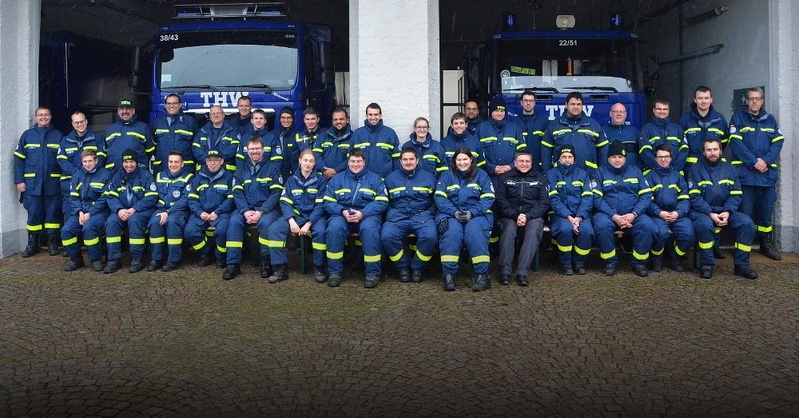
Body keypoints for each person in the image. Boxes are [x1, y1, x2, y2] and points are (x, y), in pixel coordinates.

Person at [688, 138, 758, 280]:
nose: (712, 153)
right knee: (705, 225)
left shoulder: (730, 169)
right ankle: (707, 264)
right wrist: (710, 213)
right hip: (703, 212)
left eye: (715, 149)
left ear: (721, 151)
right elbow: (694, 197)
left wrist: (727, 212)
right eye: (709, 150)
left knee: (747, 224)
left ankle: (741, 265)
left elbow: (736, 194)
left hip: (726, 211)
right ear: (703, 152)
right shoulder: (695, 169)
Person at [729, 87, 784, 261]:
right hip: (745, 176)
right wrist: (754, 162)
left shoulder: (770, 120)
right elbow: (736, 144)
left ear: (762, 101)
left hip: (766, 177)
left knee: (765, 214)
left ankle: (764, 244)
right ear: (746, 101)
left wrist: (765, 161)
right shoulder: (738, 119)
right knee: (744, 213)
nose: (754, 101)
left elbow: (778, 143)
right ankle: (741, 248)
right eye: (751, 98)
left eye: (757, 98)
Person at [322, 149, 388, 288]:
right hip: (342, 215)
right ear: (348, 162)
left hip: (367, 215)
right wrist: (342, 211)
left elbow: (382, 201)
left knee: (370, 230)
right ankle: (334, 272)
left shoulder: (375, 179)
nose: (355, 164)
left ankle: (373, 273)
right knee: (334, 229)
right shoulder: (337, 179)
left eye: (358, 161)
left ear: (364, 162)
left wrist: (363, 213)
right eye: (352, 161)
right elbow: (327, 201)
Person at [223, 136, 284, 281]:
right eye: (252, 149)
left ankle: (266, 262)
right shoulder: (240, 170)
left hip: (267, 210)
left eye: (257, 148)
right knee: (234, 222)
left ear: (263, 150)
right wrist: (245, 211)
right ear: (247, 151)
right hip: (245, 209)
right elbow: (237, 193)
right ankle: (233, 264)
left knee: (265, 223)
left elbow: (276, 193)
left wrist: (261, 211)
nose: (254, 151)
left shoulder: (273, 169)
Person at [435, 147, 495, 291]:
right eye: (459, 159)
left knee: (475, 234)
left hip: (477, 215)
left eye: (465, 159)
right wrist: (454, 212)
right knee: (451, 235)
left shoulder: (481, 175)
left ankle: (483, 276)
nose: (462, 162)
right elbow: (440, 198)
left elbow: (488, 197)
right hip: (451, 214)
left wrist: (472, 212)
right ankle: (449, 275)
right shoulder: (446, 175)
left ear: (471, 160)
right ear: (454, 161)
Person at [592, 140, 655, 277]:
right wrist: (614, 216)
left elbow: (646, 196)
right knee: (601, 226)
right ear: (608, 158)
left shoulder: (636, 171)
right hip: (608, 214)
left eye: (620, 157)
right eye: (614, 157)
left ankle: (638, 263)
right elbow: (597, 199)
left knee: (647, 226)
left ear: (625, 158)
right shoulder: (599, 172)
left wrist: (634, 214)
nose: (617, 160)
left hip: (634, 214)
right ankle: (610, 262)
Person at [267, 149, 329, 283]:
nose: (308, 163)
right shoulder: (291, 181)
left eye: (311, 161)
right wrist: (291, 220)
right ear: (300, 161)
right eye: (305, 160)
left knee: (321, 232)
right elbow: (284, 202)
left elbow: (321, 206)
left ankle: (319, 268)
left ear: (314, 163)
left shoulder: (321, 181)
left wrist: (309, 223)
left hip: (315, 217)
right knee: (274, 229)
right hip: (296, 216)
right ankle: (280, 268)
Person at [381, 148, 438, 283]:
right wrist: (391, 213)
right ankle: (402, 268)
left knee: (430, 237)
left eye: (411, 159)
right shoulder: (390, 178)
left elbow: (436, 200)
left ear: (417, 160)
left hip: (422, 216)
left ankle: (417, 268)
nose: (408, 162)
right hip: (397, 217)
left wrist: (429, 213)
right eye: (405, 159)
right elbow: (383, 200)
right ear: (400, 161)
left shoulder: (429, 178)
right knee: (387, 236)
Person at [14, 106, 64, 257]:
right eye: (40, 115)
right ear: (36, 118)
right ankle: (32, 244)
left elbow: (63, 161)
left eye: (46, 115)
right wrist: (19, 181)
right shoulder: (27, 135)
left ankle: (52, 243)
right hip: (32, 184)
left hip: (52, 183)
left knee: (52, 214)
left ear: (50, 117)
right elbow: (19, 160)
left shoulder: (58, 135)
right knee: (34, 213)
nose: (43, 117)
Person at [495, 151, 549, 286]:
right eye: (521, 161)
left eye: (527, 161)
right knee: (509, 230)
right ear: (515, 163)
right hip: (510, 216)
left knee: (533, 231)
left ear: (531, 163)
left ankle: (522, 272)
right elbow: (500, 199)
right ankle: (505, 271)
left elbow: (544, 202)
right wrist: (515, 215)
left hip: (533, 216)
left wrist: (527, 216)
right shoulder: (506, 177)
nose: (524, 164)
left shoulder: (540, 178)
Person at [102, 149, 158, 274]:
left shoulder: (145, 176)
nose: (129, 165)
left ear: (136, 162)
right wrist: (119, 209)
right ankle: (114, 259)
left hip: (141, 211)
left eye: (132, 162)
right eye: (126, 162)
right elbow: (110, 196)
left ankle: (137, 259)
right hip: (121, 211)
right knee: (111, 222)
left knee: (135, 220)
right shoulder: (117, 177)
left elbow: (151, 197)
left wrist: (134, 209)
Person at [545, 144, 595, 275]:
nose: (567, 159)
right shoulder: (551, 174)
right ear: (558, 159)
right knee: (565, 229)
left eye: (570, 157)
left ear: (574, 159)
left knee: (587, 231)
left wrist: (579, 217)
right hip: (560, 215)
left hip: (581, 215)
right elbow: (553, 199)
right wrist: (569, 217)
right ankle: (566, 263)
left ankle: (579, 262)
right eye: (564, 157)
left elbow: (588, 197)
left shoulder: (583, 174)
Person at [645, 145, 695, 273]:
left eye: (666, 156)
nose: (663, 159)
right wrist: (659, 212)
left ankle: (676, 258)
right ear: (655, 158)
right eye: (660, 157)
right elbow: (646, 200)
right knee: (660, 233)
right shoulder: (649, 177)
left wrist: (678, 213)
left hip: (677, 214)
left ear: (671, 158)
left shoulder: (678, 176)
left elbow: (685, 199)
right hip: (657, 215)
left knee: (688, 233)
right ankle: (656, 258)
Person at [61, 150, 111, 272]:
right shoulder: (77, 175)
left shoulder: (105, 175)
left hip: (99, 212)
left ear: (96, 161)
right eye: (85, 161)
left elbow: (105, 198)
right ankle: (76, 259)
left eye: (90, 161)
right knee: (66, 230)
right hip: (80, 212)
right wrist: (79, 212)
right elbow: (73, 197)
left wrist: (90, 213)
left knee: (89, 228)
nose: (87, 164)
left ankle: (95, 259)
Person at [185, 150, 236, 268]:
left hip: (221, 214)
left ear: (222, 161)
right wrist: (200, 213)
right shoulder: (198, 178)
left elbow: (231, 200)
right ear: (206, 162)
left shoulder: (229, 177)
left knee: (222, 231)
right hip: (201, 214)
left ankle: (220, 256)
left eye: (216, 160)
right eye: (210, 160)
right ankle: (206, 253)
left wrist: (217, 212)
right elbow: (191, 199)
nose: (213, 163)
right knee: (190, 232)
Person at [146, 151, 194, 272]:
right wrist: (163, 211)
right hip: (161, 210)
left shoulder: (189, 178)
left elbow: (186, 199)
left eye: (176, 162)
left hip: (179, 211)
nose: (173, 164)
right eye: (170, 161)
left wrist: (168, 211)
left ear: (182, 164)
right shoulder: (159, 176)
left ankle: (174, 260)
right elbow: (154, 195)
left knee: (172, 223)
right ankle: (157, 259)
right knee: (155, 223)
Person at [541, 92, 605, 174]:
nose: (575, 107)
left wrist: (602, 174)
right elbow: (546, 150)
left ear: (582, 106)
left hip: (589, 175)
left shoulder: (594, 125)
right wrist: (546, 173)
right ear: (566, 105)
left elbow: (603, 150)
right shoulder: (554, 125)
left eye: (578, 104)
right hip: (560, 175)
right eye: (572, 104)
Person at [57, 111, 106, 219]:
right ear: (72, 124)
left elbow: (101, 159)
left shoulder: (97, 139)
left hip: (92, 189)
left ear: (86, 121)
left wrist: (85, 174)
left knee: (91, 222)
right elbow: (62, 161)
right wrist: (78, 173)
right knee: (70, 221)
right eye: (77, 122)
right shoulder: (65, 141)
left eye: (82, 121)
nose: (80, 124)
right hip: (69, 187)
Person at [474, 96, 526, 185]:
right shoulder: (481, 129)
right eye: (496, 111)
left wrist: (511, 166)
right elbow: (476, 152)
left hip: (512, 176)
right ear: (491, 112)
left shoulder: (515, 128)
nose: (499, 113)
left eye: (502, 111)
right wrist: (491, 168)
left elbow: (522, 151)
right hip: (488, 177)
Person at [678, 86, 728, 172]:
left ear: (711, 100)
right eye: (700, 98)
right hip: (691, 168)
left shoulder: (720, 119)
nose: (703, 101)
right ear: (695, 100)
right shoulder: (685, 120)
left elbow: (724, 142)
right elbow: (680, 144)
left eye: (706, 98)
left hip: (716, 168)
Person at [350, 102, 400, 179]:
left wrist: (393, 179)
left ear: (380, 116)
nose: (373, 117)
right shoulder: (357, 134)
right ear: (366, 116)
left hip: (384, 181)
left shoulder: (390, 133)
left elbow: (397, 160)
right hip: (362, 181)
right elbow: (350, 159)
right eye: (370, 115)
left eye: (376, 114)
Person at [152, 94, 198, 172]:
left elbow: (197, 145)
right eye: (169, 103)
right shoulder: (158, 122)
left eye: (174, 103)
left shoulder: (190, 122)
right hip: (162, 168)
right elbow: (152, 144)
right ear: (165, 106)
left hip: (185, 169)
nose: (171, 106)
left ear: (180, 105)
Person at [104, 99, 153, 174]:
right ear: (118, 111)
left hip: (137, 174)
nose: (124, 111)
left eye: (127, 109)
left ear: (133, 111)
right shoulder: (110, 129)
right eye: (122, 109)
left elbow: (150, 151)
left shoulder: (143, 128)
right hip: (113, 173)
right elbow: (105, 151)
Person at [639, 100, 688, 173]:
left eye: (665, 109)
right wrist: (658, 168)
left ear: (668, 111)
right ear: (654, 110)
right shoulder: (646, 129)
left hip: (675, 174)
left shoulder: (677, 129)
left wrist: (674, 169)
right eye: (659, 109)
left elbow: (684, 150)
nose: (662, 111)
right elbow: (644, 151)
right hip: (653, 174)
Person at [193, 105, 239, 173]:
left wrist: (217, 160)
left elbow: (234, 147)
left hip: (226, 172)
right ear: (210, 116)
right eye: (213, 113)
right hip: (204, 171)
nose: (216, 115)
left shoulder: (232, 130)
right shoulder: (203, 131)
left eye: (218, 113)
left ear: (223, 115)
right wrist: (208, 160)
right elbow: (195, 148)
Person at [512, 90, 549, 172]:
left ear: (534, 103)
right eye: (525, 100)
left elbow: (547, 147)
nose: (528, 103)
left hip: (538, 167)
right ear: (521, 102)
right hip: (519, 168)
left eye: (531, 101)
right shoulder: (514, 122)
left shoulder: (543, 121)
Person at [313, 107, 352, 179]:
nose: (338, 122)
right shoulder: (322, 137)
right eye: (335, 120)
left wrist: (335, 171)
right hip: (323, 178)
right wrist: (327, 171)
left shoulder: (353, 138)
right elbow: (316, 156)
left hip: (344, 179)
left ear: (347, 120)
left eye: (341, 119)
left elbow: (353, 159)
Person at [601, 103, 641, 169]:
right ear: (610, 114)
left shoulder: (634, 132)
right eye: (615, 111)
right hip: (609, 173)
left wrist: (637, 169)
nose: (619, 114)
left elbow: (641, 154)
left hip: (631, 172)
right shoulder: (602, 132)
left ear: (625, 114)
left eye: (621, 112)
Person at [268, 107, 300, 180]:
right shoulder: (272, 135)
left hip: (294, 175)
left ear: (293, 119)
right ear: (279, 119)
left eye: (289, 118)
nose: (286, 120)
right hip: (276, 175)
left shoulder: (298, 135)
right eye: (283, 117)